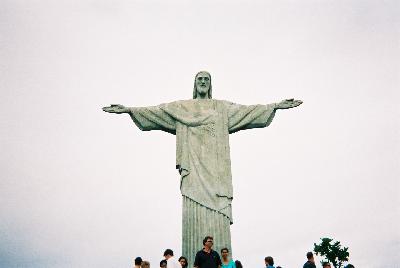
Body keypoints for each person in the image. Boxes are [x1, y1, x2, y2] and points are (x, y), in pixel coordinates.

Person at [103, 71, 302, 264]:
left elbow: (247, 111)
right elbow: (158, 111)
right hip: (193, 172)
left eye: (207, 79)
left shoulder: (221, 108)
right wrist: (130, 110)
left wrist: (274, 106)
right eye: (200, 79)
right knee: (191, 206)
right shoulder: (182, 107)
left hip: (216, 172)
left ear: (211, 84)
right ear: (194, 83)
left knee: (218, 210)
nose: (203, 82)